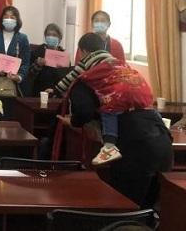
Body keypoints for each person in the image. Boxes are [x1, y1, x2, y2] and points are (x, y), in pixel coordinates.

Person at [57, 33, 172, 208]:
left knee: (124, 207)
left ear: (82, 53)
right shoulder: (125, 70)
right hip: (161, 140)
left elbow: (84, 112)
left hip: (134, 146)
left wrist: (72, 122)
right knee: (148, 210)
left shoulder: (87, 80)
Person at [73, 34, 154, 166]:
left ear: (83, 51)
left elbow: (71, 78)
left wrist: (56, 89)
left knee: (108, 108)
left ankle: (109, 147)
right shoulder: (115, 60)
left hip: (121, 92)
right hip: (141, 87)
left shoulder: (87, 63)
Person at [0, 6, 30, 96]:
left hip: (15, 84)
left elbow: (26, 62)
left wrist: (19, 76)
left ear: (17, 20)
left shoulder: (23, 38)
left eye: (12, 17)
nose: (9, 19)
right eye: (6, 17)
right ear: (2, 19)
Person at [28, 23, 72, 96]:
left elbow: (67, 78)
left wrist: (61, 70)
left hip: (56, 92)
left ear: (60, 38)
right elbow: (29, 74)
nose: (51, 37)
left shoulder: (64, 56)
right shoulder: (37, 51)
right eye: (48, 35)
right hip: (38, 91)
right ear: (45, 37)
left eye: (54, 35)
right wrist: (37, 65)